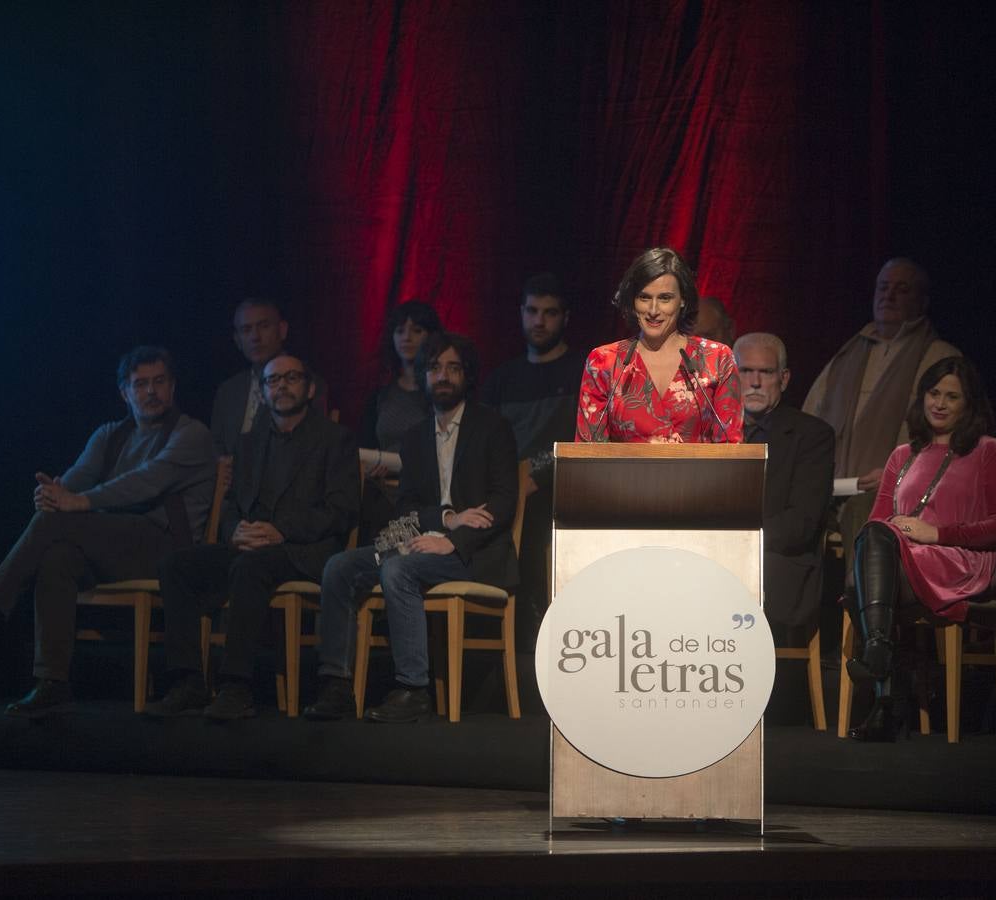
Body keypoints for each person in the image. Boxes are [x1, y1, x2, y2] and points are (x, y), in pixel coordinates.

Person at [0, 347, 216, 717]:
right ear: (124, 393)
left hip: (166, 549)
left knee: (59, 523)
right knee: (57, 557)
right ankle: (53, 681)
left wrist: (76, 504)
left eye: (159, 382)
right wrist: (53, 495)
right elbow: (74, 481)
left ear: (173, 386)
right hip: (112, 545)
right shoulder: (109, 435)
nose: (151, 392)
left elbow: (145, 483)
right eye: (141, 384)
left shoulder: (191, 434)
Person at [303, 333, 519, 723]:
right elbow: (406, 506)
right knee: (340, 566)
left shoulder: (493, 426)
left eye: (453, 368)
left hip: (474, 553)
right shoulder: (416, 437)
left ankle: (413, 689)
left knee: (397, 569)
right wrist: (446, 519)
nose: (443, 377)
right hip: (422, 541)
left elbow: (504, 502)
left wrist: (453, 540)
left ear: (467, 376)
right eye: (434, 368)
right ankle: (335, 683)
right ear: (422, 377)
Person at [146, 353, 359, 720]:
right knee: (175, 565)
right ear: (262, 392)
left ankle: (235, 685)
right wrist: (235, 532)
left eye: (291, 378)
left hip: (304, 550)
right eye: (273, 381)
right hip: (252, 546)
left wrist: (281, 531)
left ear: (309, 388)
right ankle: (188, 681)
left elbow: (341, 511)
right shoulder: (249, 442)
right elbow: (229, 507)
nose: (282, 387)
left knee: (250, 566)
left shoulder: (334, 439)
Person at [844, 356, 996, 742]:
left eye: (952, 396)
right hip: (902, 560)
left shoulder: (989, 451)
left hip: (957, 560)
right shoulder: (902, 455)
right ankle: (882, 666)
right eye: (933, 393)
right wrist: (899, 534)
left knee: (860, 584)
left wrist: (935, 533)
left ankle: (886, 692)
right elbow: (878, 518)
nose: (939, 403)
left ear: (969, 403)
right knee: (871, 540)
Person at [802, 258, 959, 571]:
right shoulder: (848, 353)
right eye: (883, 288)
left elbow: (947, 438)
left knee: (864, 510)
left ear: (922, 301)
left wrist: (897, 475)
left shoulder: (939, 356)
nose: (889, 296)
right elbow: (811, 417)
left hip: (897, 491)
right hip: (835, 485)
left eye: (901, 290)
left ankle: (865, 606)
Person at [481, 273, 581, 643]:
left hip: (560, 494)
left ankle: (539, 635)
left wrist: (534, 477)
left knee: (535, 522)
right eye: (532, 311)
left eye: (549, 313)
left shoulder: (581, 373)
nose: (539, 321)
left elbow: (583, 439)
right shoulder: (502, 379)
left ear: (565, 317)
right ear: (520, 313)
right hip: (504, 494)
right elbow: (482, 444)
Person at [576, 247, 742, 443]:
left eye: (665, 298)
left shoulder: (718, 359)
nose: (653, 310)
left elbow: (732, 452)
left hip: (698, 475)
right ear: (632, 301)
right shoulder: (604, 362)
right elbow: (587, 453)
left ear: (683, 300)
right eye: (644, 297)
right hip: (624, 475)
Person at [734, 332, 834, 635]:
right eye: (745, 371)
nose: (754, 382)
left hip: (776, 565)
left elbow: (800, 524)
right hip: (714, 560)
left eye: (765, 372)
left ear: (784, 378)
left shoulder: (812, 436)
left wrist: (738, 542)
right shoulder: (711, 431)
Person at [358, 301, 443, 539]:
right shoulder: (380, 396)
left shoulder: (440, 394)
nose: (407, 338)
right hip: (382, 490)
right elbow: (365, 445)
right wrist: (371, 468)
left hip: (426, 493)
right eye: (400, 331)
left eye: (416, 331)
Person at [210, 298, 328, 456]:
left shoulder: (305, 383)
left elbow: (313, 444)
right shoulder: (228, 391)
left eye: (264, 326)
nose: (255, 337)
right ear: (237, 340)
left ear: (282, 330)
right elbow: (216, 447)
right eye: (246, 330)